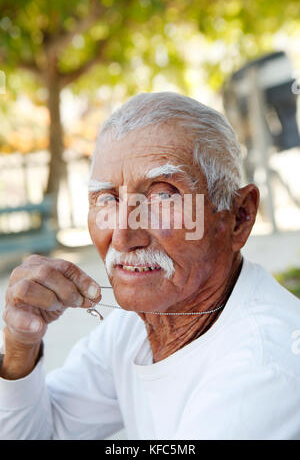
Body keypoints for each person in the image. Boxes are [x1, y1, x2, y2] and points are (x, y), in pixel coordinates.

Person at [0, 92, 300, 440]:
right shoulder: (139, 326)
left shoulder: (263, 371)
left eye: (163, 195)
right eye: (108, 199)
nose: (124, 236)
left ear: (239, 217)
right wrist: (21, 345)